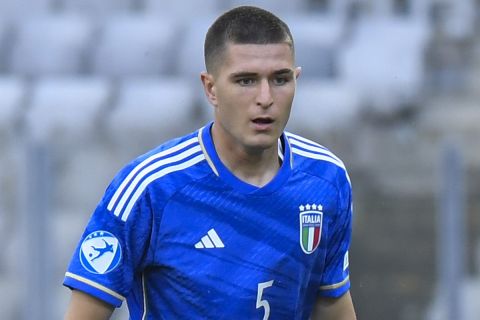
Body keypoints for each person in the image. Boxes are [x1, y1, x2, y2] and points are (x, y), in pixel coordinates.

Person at [63, 5, 356, 320]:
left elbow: (331, 302)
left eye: (280, 79)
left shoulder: (326, 179)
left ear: (296, 79)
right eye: (246, 81)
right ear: (211, 88)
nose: (266, 97)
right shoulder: (151, 188)